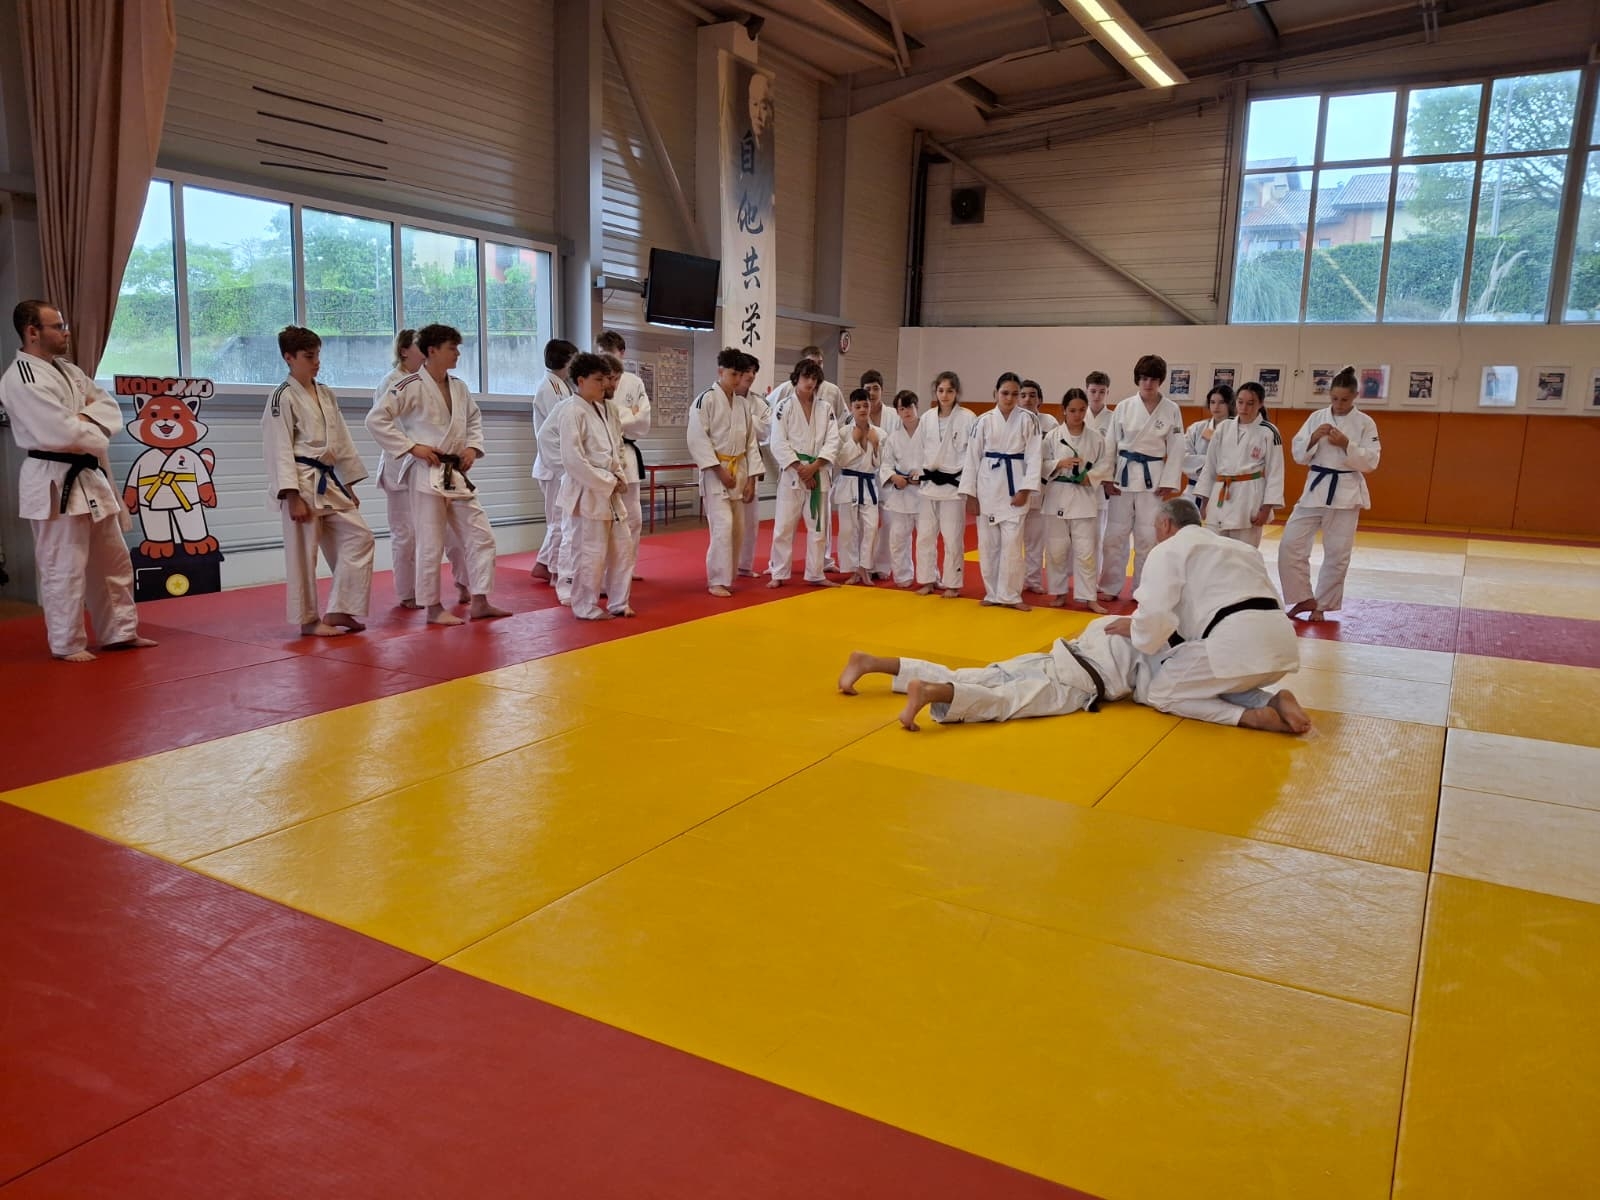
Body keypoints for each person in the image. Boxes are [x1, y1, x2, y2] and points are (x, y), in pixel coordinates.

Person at [1, 300, 155, 662]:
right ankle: (67, 642)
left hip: (89, 476)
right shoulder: (22, 378)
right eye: (57, 326)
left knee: (113, 560)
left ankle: (120, 631)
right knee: (63, 566)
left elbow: (108, 409)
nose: (66, 332)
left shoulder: (69, 371)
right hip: (54, 480)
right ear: (32, 332)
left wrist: (81, 421)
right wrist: (83, 424)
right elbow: (59, 432)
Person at [1105, 498, 1309, 733]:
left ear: (1165, 524)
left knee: (1162, 693)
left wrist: (1135, 629)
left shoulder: (1167, 550)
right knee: (1210, 683)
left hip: (1233, 645)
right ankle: (1270, 701)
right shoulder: (1242, 549)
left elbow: (1155, 613)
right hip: (1282, 646)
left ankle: (1248, 717)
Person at [365, 323, 509, 625]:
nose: (457, 353)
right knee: (429, 542)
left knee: (481, 535)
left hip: (455, 472)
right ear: (432, 351)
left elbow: (474, 419)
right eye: (452, 348)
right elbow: (376, 420)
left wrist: (472, 447)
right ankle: (432, 607)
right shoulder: (408, 385)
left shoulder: (459, 387)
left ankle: (480, 600)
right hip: (425, 472)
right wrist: (410, 447)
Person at [836, 614, 1141, 732]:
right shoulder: (1151, 644)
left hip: (1049, 657)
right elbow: (1153, 692)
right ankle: (931, 692)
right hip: (1078, 683)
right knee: (1004, 701)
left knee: (967, 674)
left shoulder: (1113, 619)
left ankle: (871, 663)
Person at [262, 326, 375, 637]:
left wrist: (348, 484)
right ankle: (308, 620)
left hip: (329, 481)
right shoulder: (281, 397)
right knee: (304, 555)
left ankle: (341, 608)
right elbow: (278, 447)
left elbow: (342, 440)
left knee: (360, 536)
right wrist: (291, 495)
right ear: (289, 357)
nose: (316, 362)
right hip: (301, 482)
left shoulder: (325, 393)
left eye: (317, 356)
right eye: (309, 356)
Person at [1278, 364, 1381, 622]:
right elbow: (1298, 454)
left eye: (1344, 400)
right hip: (1315, 488)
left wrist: (1347, 445)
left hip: (1346, 493)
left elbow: (1371, 461)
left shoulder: (1365, 423)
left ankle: (1322, 605)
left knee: (1337, 553)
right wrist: (1313, 438)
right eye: (1334, 398)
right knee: (1290, 544)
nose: (1338, 404)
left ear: (1355, 396)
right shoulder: (1317, 417)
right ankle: (1303, 597)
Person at [373, 330, 466, 608]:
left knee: (454, 530)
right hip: (402, 466)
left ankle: (465, 583)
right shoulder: (392, 383)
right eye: (417, 346)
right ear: (404, 351)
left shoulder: (440, 383)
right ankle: (408, 593)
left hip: (438, 466)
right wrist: (414, 447)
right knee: (407, 535)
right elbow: (386, 425)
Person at [1098, 354, 1185, 602]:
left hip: (1153, 478)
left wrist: (1169, 481)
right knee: (1114, 535)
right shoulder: (1124, 407)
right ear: (1138, 379)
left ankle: (1143, 589)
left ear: (1161, 381)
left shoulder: (1171, 409)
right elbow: (1110, 444)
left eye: (1154, 379)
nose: (1148, 383)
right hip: (1122, 477)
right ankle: (1109, 586)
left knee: (1148, 536)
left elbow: (1177, 447)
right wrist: (1107, 477)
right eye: (1144, 378)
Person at [558, 353, 634, 620]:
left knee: (623, 548)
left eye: (606, 379)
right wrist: (608, 482)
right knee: (589, 553)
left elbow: (615, 448)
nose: (605, 384)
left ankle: (619, 602)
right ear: (581, 380)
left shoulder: (602, 409)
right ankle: (585, 606)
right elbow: (573, 460)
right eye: (598, 379)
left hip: (610, 490)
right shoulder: (571, 410)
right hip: (588, 492)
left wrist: (619, 476)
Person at [959, 372, 1041, 611]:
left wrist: (1026, 490)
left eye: (1015, 394)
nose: (1010, 398)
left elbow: (1034, 457)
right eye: (1005, 393)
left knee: (1013, 546)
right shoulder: (983, 421)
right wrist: (970, 495)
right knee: (988, 545)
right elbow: (972, 458)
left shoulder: (1028, 419)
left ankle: (1011, 595)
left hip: (1015, 487)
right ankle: (993, 593)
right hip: (987, 488)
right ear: (995, 393)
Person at [686, 347, 762, 597]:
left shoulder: (743, 405)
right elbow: (697, 439)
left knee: (738, 528)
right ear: (720, 372)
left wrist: (751, 479)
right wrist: (719, 470)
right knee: (723, 526)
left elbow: (751, 443)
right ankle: (716, 580)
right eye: (733, 374)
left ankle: (728, 575)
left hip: (739, 471)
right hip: (715, 472)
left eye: (740, 375)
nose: (737, 380)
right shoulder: (705, 400)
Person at [766, 358, 839, 589]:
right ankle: (778, 572)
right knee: (784, 527)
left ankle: (816, 573)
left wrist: (814, 467)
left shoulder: (825, 408)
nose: (810, 382)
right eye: (806, 377)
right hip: (792, 475)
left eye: (814, 378)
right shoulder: (784, 406)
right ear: (796, 378)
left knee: (818, 528)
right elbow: (778, 442)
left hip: (818, 474)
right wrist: (800, 469)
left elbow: (833, 441)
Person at [1041, 388, 1108, 612]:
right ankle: (1059, 592)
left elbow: (1105, 464)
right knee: (1056, 549)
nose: (1077, 415)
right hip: (1056, 497)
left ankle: (1089, 597)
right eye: (1072, 410)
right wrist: (1058, 464)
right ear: (1064, 410)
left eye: (1081, 410)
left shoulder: (1096, 438)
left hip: (1084, 498)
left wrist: (1091, 477)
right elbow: (1040, 463)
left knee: (1086, 552)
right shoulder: (1052, 436)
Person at [1194, 380, 1283, 548]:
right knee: (1214, 551)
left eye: (1250, 403)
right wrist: (1205, 502)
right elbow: (1210, 466)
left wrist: (1266, 509)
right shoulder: (1223, 427)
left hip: (1248, 498)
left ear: (1260, 404)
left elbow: (1275, 473)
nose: (1244, 407)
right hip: (1219, 496)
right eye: (1240, 402)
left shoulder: (1269, 431)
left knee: (1243, 553)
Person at [914, 370, 974, 598]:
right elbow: (919, 449)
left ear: (957, 392)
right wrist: (917, 473)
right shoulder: (927, 418)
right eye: (941, 390)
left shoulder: (968, 418)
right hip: (929, 485)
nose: (945, 395)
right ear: (935, 392)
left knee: (952, 537)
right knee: (925, 536)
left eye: (949, 390)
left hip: (953, 486)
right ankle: (927, 580)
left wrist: (969, 485)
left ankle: (953, 583)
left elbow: (972, 454)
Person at [596, 331, 651, 572]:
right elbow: (599, 419)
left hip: (626, 452)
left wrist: (620, 419)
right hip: (600, 455)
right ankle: (604, 570)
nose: (607, 360)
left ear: (622, 354)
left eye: (612, 354)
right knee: (603, 518)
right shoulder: (594, 379)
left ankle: (627, 567)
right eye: (602, 354)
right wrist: (628, 415)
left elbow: (643, 419)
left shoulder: (634, 382)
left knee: (633, 516)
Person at [530, 338, 578, 583]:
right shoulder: (550, 388)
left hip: (557, 461)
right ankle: (555, 570)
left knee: (560, 518)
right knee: (559, 519)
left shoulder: (560, 385)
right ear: (567, 360)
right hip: (552, 463)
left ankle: (543, 563)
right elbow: (556, 428)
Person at [833, 388, 882, 586]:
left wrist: (876, 445)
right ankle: (853, 569)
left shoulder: (879, 433)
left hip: (869, 484)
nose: (862, 409)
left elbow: (881, 464)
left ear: (871, 406)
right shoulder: (843, 433)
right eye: (858, 406)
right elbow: (839, 461)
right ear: (851, 408)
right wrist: (853, 440)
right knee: (848, 530)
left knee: (871, 527)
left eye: (865, 405)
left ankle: (865, 567)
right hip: (848, 484)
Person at [878, 389, 922, 589]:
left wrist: (922, 475)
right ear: (897, 412)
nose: (907, 412)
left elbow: (935, 461)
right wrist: (894, 477)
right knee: (898, 538)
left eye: (910, 407)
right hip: (901, 493)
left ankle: (929, 576)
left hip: (923, 493)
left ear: (917, 407)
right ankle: (903, 576)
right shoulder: (893, 438)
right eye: (902, 408)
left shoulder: (929, 434)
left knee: (926, 539)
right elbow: (885, 465)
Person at [1017, 378, 1055, 594]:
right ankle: (1013, 580)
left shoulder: (1049, 423)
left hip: (1040, 489)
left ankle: (1033, 580)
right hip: (1015, 488)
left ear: (1040, 399)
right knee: (1013, 539)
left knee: (1035, 540)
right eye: (1023, 395)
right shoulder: (1012, 421)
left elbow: (1055, 454)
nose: (1027, 399)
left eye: (1032, 395)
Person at [735, 352, 770, 578]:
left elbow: (766, 432)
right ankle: (726, 565)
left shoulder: (758, 403)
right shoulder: (721, 398)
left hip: (751, 461)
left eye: (753, 372)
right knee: (727, 521)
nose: (750, 375)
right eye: (746, 371)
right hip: (726, 462)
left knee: (750, 519)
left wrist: (746, 415)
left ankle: (744, 565)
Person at [1184, 385, 1234, 489]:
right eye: (1212, 402)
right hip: (1194, 488)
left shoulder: (1238, 430)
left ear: (1230, 404)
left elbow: (1236, 461)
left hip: (1225, 488)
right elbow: (1183, 458)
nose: (1216, 406)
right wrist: (1213, 462)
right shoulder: (1196, 428)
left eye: (1221, 402)